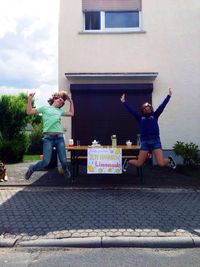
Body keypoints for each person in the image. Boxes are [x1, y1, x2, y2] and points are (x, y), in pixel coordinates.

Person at [120, 88, 176, 171]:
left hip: (156, 141)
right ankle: (128, 161)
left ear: (151, 109)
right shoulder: (140, 118)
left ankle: (169, 160)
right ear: (143, 110)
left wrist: (169, 96)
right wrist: (124, 102)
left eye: (149, 108)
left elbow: (162, 106)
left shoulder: (155, 115)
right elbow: (131, 111)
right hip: (145, 142)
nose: (147, 109)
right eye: (145, 109)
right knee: (139, 164)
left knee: (160, 163)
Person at [25, 90, 74, 180]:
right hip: (48, 138)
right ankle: (32, 168)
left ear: (61, 105)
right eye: (59, 99)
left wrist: (71, 102)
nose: (60, 100)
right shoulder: (44, 108)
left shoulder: (60, 111)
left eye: (62, 101)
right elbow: (29, 112)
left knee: (63, 161)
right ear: (54, 99)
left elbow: (71, 113)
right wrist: (29, 100)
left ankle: (65, 169)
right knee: (46, 162)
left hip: (59, 138)